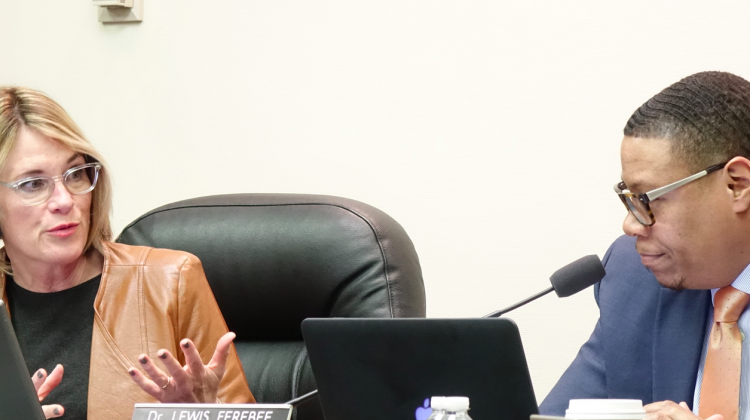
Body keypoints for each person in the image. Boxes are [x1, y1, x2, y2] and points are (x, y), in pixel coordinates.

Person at [0, 86, 255, 420]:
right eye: (33, 184)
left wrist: (205, 414)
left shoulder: (171, 281)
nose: (64, 201)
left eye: (75, 174)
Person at [540, 71, 750, 420]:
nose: (631, 225)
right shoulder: (632, 278)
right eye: (629, 199)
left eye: (648, 199)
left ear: (737, 185)